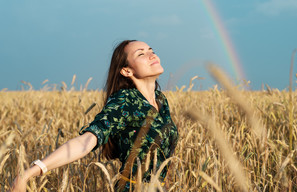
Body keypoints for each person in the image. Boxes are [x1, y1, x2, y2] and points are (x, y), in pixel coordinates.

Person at [11, 40, 179, 192]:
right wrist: (28, 174)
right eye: (141, 54)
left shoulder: (160, 100)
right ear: (127, 70)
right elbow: (87, 140)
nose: (151, 55)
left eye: (151, 50)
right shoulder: (124, 101)